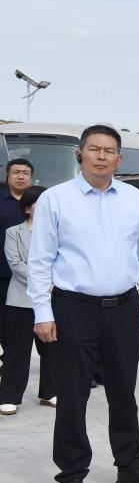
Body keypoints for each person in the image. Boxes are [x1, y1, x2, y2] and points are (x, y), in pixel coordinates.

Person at [28, 124, 139, 483]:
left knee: (123, 392)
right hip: (73, 309)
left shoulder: (132, 198)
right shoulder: (56, 199)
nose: (101, 156)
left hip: (124, 308)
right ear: (80, 154)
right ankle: (72, 475)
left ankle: (130, 466)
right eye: (94, 149)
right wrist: (42, 312)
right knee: (73, 394)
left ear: (119, 158)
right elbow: (40, 261)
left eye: (109, 151)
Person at [0, 186, 55, 415]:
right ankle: (9, 396)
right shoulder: (14, 232)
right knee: (17, 350)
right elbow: (16, 265)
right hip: (21, 300)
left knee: (52, 348)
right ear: (27, 208)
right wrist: (45, 282)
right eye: (38, 204)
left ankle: (49, 392)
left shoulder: (58, 232)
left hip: (52, 299)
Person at [0, 158, 33, 377]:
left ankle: (11, 363)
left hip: (30, 277)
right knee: (4, 325)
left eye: (25, 173)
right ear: (8, 175)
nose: (20, 176)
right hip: (3, 274)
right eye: (16, 172)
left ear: (31, 177)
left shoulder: (40, 200)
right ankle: (10, 361)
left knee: (22, 329)